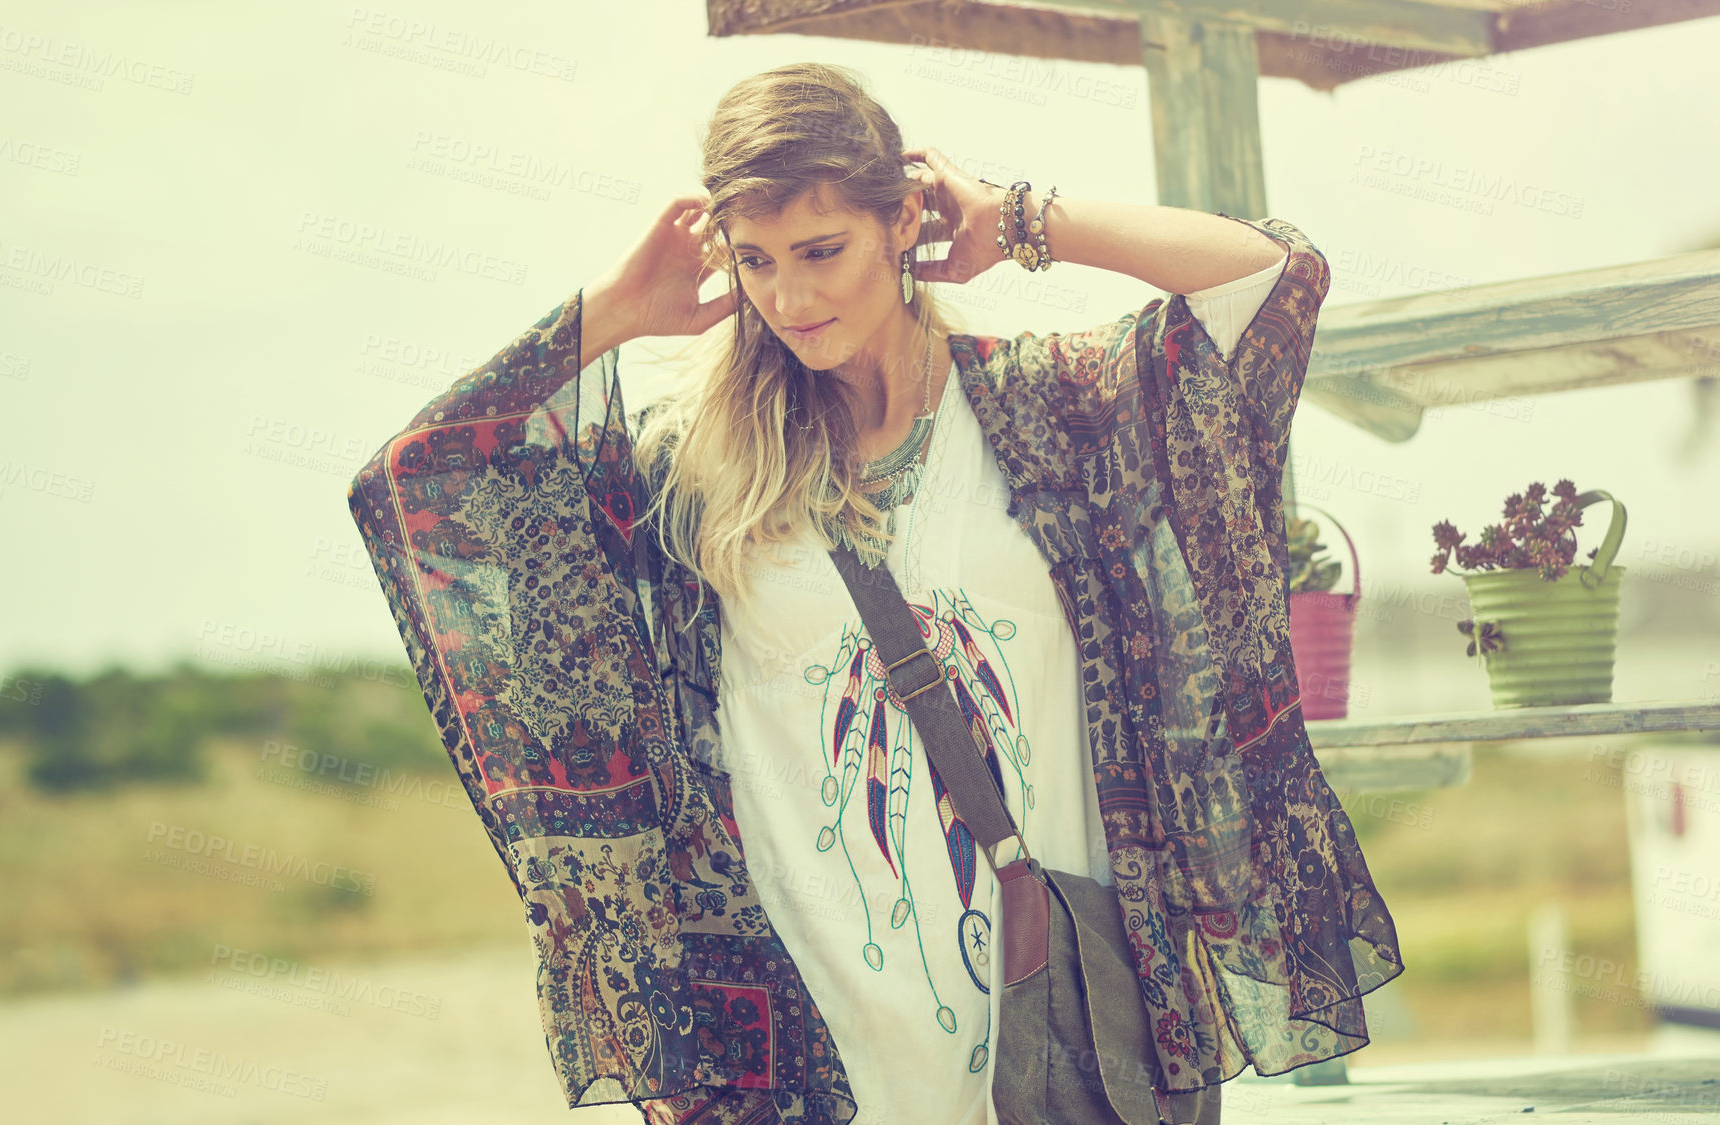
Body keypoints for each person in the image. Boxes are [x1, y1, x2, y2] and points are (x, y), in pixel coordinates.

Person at [346, 61, 1403, 1125]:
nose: (789, 299)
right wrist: (614, 312)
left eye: (822, 250)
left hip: (1062, 1034)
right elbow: (419, 477)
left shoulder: (1047, 410)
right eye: (754, 261)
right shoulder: (691, 471)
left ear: (902, 225)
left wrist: (1023, 218)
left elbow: (1270, 281)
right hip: (808, 1062)